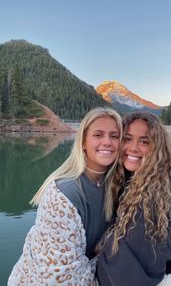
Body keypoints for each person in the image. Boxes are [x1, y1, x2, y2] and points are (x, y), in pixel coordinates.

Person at [8, 107, 122, 286]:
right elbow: (61, 278)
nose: (107, 142)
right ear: (83, 141)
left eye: (114, 136)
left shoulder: (115, 185)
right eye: (98, 135)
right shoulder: (63, 194)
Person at [97, 112, 171, 286]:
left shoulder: (153, 198)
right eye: (127, 139)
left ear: (157, 148)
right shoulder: (137, 181)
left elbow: (128, 270)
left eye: (144, 141)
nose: (133, 147)